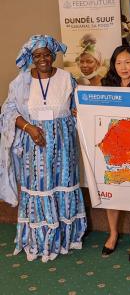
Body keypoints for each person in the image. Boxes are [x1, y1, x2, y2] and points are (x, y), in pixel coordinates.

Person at [0, 35, 87, 262]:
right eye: (37, 55)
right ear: (30, 57)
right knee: (40, 189)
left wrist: (80, 112)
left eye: (46, 54)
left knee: (63, 186)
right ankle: (39, 240)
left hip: (63, 147)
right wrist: (29, 128)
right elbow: (8, 112)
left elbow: (78, 107)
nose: (42, 59)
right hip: (35, 147)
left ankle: (65, 239)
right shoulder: (21, 82)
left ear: (53, 55)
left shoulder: (67, 78)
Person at [101, 45, 130, 261]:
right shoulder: (104, 86)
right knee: (113, 193)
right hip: (113, 147)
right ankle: (113, 233)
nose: (123, 67)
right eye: (118, 63)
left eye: (127, 62)